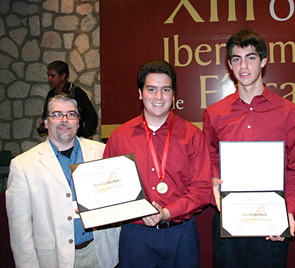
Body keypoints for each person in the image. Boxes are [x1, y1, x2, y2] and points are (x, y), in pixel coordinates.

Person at [202, 29, 295, 267]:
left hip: (271, 222)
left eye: (250, 57)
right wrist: (213, 181)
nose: (244, 66)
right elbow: (209, 159)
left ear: (263, 61)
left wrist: (288, 212)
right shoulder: (214, 113)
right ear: (229, 65)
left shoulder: (288, 111)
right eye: (236, 59)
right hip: (229, 220)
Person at [104, 60, 212, 268]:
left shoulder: (192, 135)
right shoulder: (120, 137)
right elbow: (108, 189)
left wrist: (166, 212)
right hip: (136, 236)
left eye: (165, 90)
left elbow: (202, 189)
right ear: (140, 93)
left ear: (174, 94)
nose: (159, 97)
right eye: (151, 89)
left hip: (181, 234)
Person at [6, 93, 120, 268]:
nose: (64, 120)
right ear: (45, 122)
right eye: (57, 114)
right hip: (55, 259)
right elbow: (20, 231)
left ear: (78, 122)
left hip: (100, 254)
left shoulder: (101, 152)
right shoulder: (23, 166)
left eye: (71, 114)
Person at [39, 60, 98, 138]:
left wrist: (82, 136)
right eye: (48, 75)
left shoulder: (76, 92)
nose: (49, 79)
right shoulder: (51, 94)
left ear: (63, 76)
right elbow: (46, 115)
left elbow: (91, 116)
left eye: (53, 76)